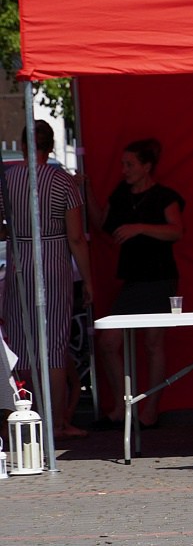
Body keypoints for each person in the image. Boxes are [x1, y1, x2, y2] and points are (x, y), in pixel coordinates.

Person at [1, 120, 94, 440]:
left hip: (18, 262)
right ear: (51, 146)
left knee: (20, 344)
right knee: (53, 345)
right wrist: (89, 282)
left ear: (25, 145)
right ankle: (56, 423)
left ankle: (25, 417)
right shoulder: (62, 182)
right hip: (53, 260)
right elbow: (77, 238)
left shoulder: (8, 179)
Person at [89, 137, 182, 430]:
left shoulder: (164, 196)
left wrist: (139, 227)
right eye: (123, 164)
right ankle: (120, 406)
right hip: (132, 278)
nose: (124, 169)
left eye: (130, 164)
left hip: (159, 278)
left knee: (153, 343)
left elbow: (176, 231)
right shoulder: (121, 193)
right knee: (109, 342)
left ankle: (150, 411)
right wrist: (85, 189)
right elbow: (101, 222)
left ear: (146, 166)